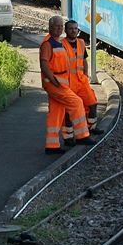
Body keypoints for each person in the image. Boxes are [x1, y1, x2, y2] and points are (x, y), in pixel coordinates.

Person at [39, 15, 96, 155]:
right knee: (77, 103)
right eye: (56, 26)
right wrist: (53, 81)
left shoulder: (57, 42)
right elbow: (44, 64)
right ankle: (82, 136)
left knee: (56, 113)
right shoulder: (48, 43)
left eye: (60, 26)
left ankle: (51, 145)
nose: (59, 28)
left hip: (60, 84)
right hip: (56, 85)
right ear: (50, 27)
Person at [61, 19, 104, 145]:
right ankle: (68, 137)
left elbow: (84, 60)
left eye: (75, 28)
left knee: (92, 103)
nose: (73, 31)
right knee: (68, 110)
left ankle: (92, 127)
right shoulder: (61, 45)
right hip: (68, 83)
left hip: (81, 81)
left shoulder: (81, 43)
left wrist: (86, 74)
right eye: (71, 29)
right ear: (66, 30)